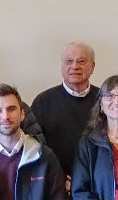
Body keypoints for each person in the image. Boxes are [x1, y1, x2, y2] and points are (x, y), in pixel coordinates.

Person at [33, 42, 101, 170]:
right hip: (55, 179)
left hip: (99, 178)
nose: (75, 66)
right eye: (69, 61)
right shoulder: (43, 101)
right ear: (62, 66)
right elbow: (35, 146)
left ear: (92, 66)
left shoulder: (105, 99)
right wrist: (58, 177)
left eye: (81, 61)